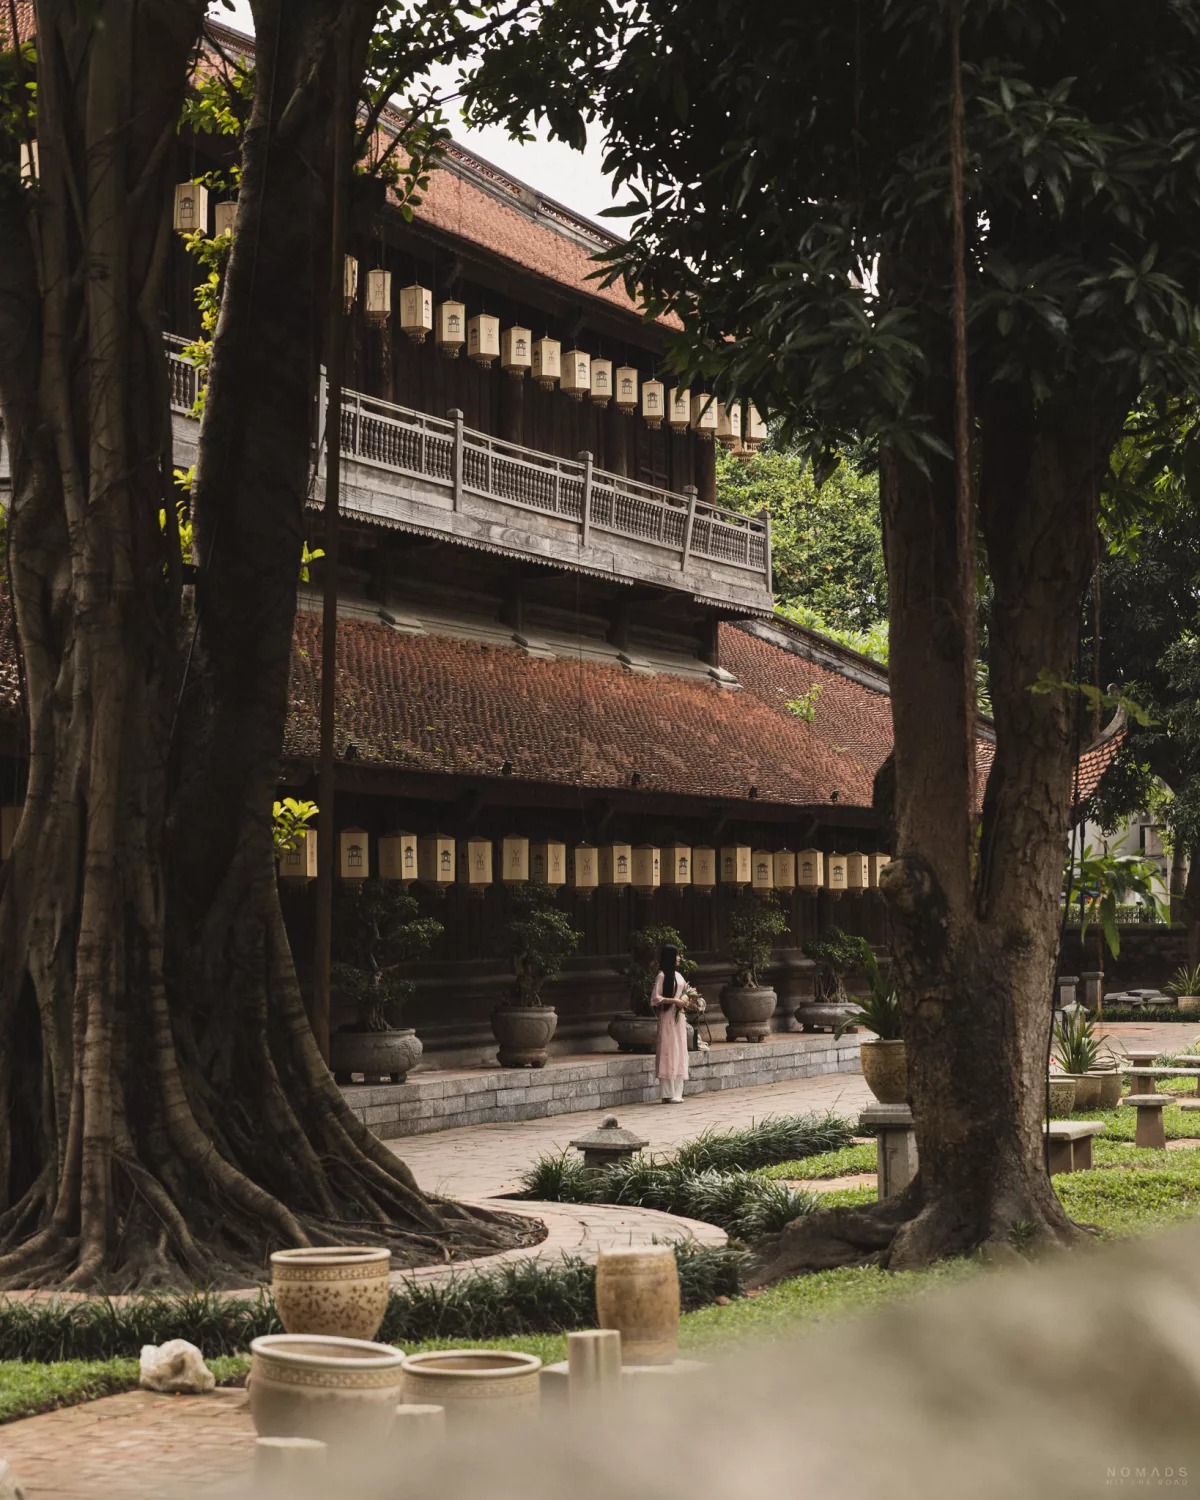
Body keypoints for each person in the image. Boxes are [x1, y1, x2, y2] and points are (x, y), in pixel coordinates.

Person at [650, 943, 694, 1103]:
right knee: (668, 1050)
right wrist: (673, 1000)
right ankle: (667, 1094)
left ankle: (677, 1092)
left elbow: (685, 993)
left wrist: (684, 998)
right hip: (667, 1017)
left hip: (679, 1017)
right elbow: (655, 998)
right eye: (676, 955)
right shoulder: (662, 976)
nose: (679, 958)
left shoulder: (679, 976)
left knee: (679, 1049)